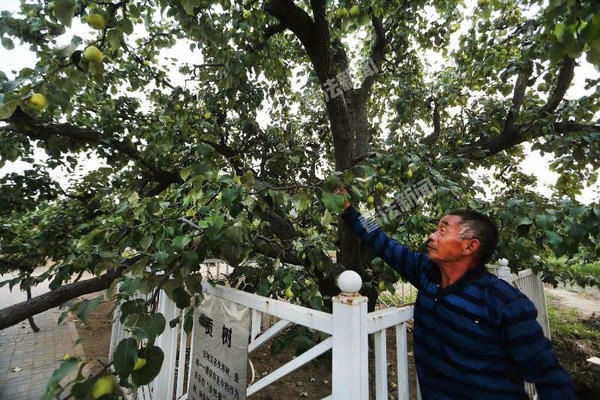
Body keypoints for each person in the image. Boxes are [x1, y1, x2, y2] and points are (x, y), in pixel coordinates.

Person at [335, 188, 575, 400]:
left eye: (442, 230)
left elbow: (548, 375)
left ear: (469, 246)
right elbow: (382, 242)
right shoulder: (426, 273)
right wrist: (346, 209)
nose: (432, 235)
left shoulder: (503, 302)